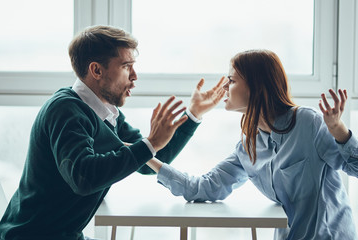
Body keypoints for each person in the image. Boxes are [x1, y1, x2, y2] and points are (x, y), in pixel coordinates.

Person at [0, 25, 225, 240]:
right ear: (96, 70)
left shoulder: (106, 113)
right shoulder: (66, 110)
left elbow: (151, 161)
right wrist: (150, 143)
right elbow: (83, 178)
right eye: (126, 66)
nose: (134, 76)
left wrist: (193, 116)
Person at [146, 49, 358, 239]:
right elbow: (205, 188)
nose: (224, 87)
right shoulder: (248, 146)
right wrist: (145, 155)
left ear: (257, 86)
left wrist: (338, 129)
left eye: (232, 80)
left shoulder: (307, 122)